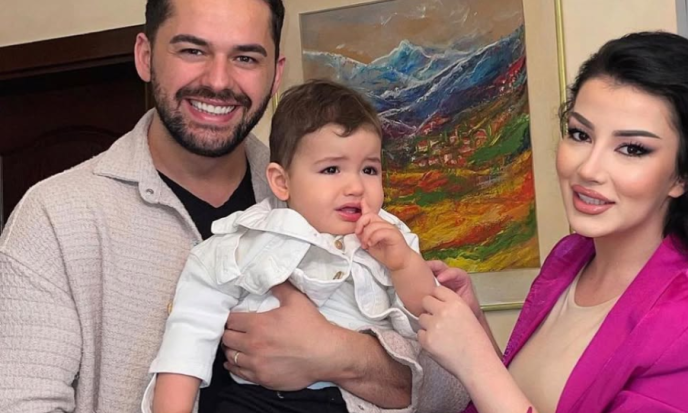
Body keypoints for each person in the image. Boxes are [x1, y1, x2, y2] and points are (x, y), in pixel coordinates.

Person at [0, 0, 469, 412]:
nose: (218, 81)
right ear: (145, 56)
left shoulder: (342, 206)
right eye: (192, 50)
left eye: (245, 57)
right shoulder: (55, 217)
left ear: (275, 74)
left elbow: (456, 391)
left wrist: (341, 355)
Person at [417, 31, 688, 413]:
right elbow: (533, 398)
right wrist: (476, 333)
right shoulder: (571, 257)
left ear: (683, 175)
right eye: (580, 134)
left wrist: (476, 363)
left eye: (632, 148)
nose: (588, 169)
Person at [146, 79, 437, 413]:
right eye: (332, 169)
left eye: (369, 169)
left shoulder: (392, 237)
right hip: (260, 402)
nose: (356, 186)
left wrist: (404, 265)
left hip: (357, 402)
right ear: (282, 182)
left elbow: (431, 320)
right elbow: (189, 333)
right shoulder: (247, 239)